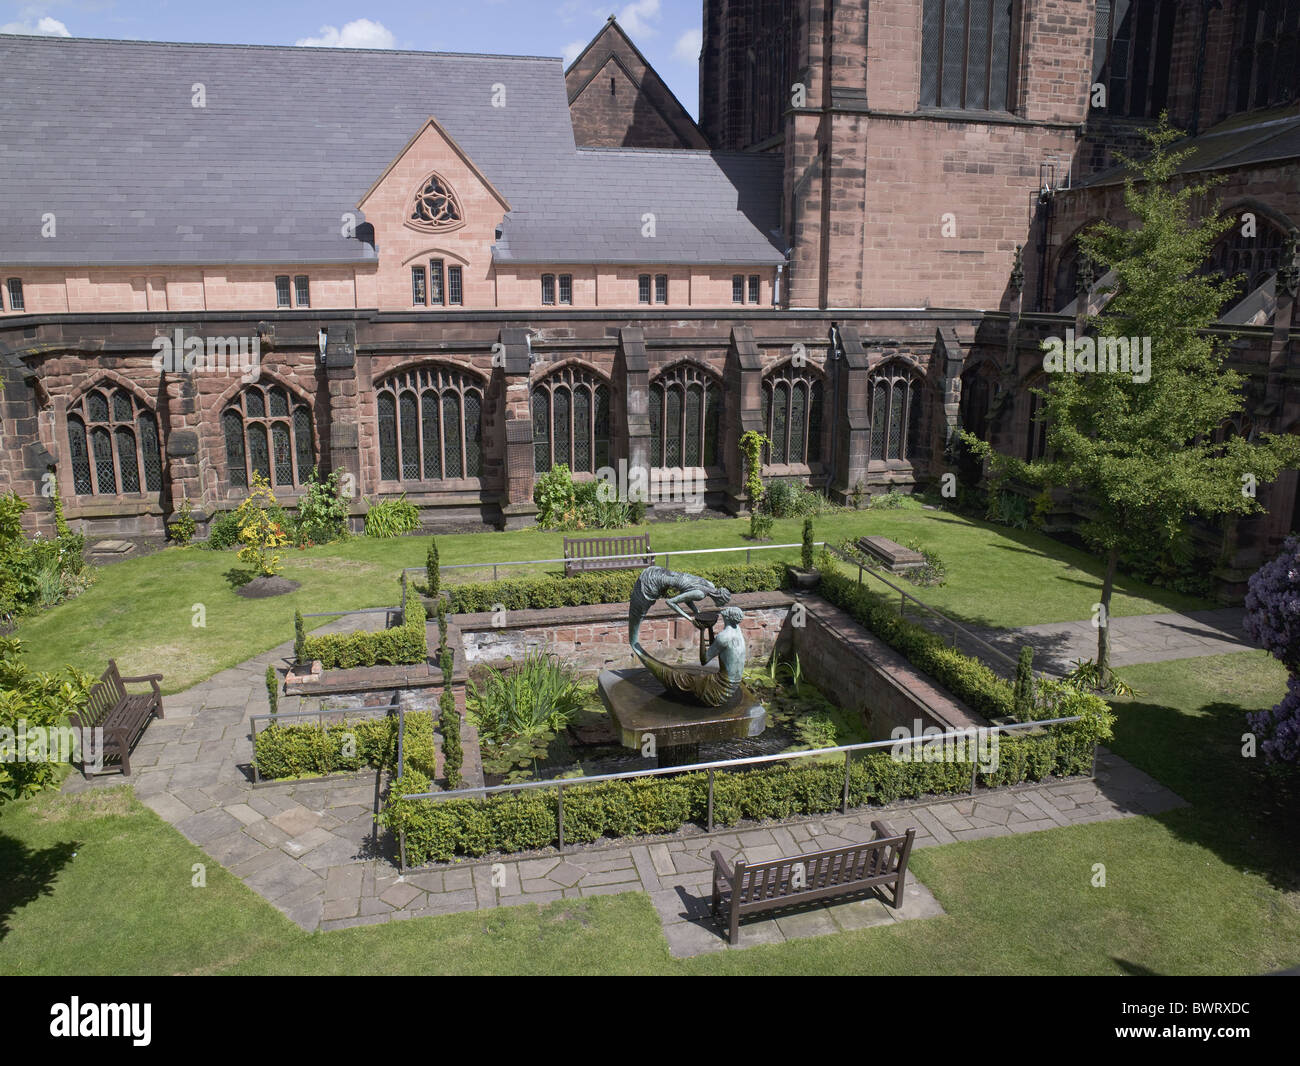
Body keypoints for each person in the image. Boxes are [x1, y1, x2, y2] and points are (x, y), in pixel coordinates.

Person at [627, 565, 731, 655]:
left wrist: (696, 612)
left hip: (658, 572)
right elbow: (671, 602)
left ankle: (634, 642)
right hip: (651, 582)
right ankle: (634, 643)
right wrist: (689, 619)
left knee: (638, 616)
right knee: (638, 614)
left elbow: (687, 596)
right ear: (719, 598)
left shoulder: (710, 584)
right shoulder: (700, 594)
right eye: (722, 602)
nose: (720, 605)